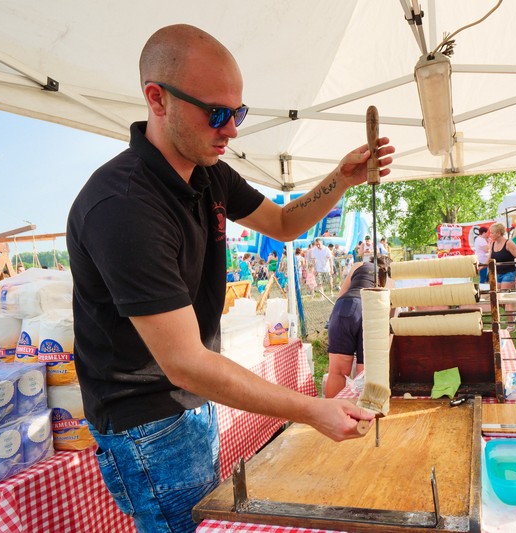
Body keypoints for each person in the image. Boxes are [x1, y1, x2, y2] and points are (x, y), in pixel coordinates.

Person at [66, 24, 394, 533]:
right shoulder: (122, 205)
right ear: (157, 98)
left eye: (237, 113)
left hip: (190, 402)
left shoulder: (208, 171)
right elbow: (185, 363)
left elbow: (282, 223)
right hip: (145, 422)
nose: (232, 130)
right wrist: (313, 410)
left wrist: (340, 179)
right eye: (216, 113)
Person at [324, 256, 391, 399]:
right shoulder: (388, 275)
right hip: (371, 310)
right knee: (365, 373)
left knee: (337, 372)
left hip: (345, 306)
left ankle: (330, 411)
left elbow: (341, 293)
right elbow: (388, 307)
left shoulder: (359, 265)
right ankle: (362, 410)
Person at [488, 222, 516, 291]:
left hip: (509, 273)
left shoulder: (509, 243)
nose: (490, 235)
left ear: (499, 233)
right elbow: (489, 259)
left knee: (504, 294)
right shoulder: (492, 243)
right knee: (497, 295)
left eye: (492, 233)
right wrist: (480, 266)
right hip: (497, 274)